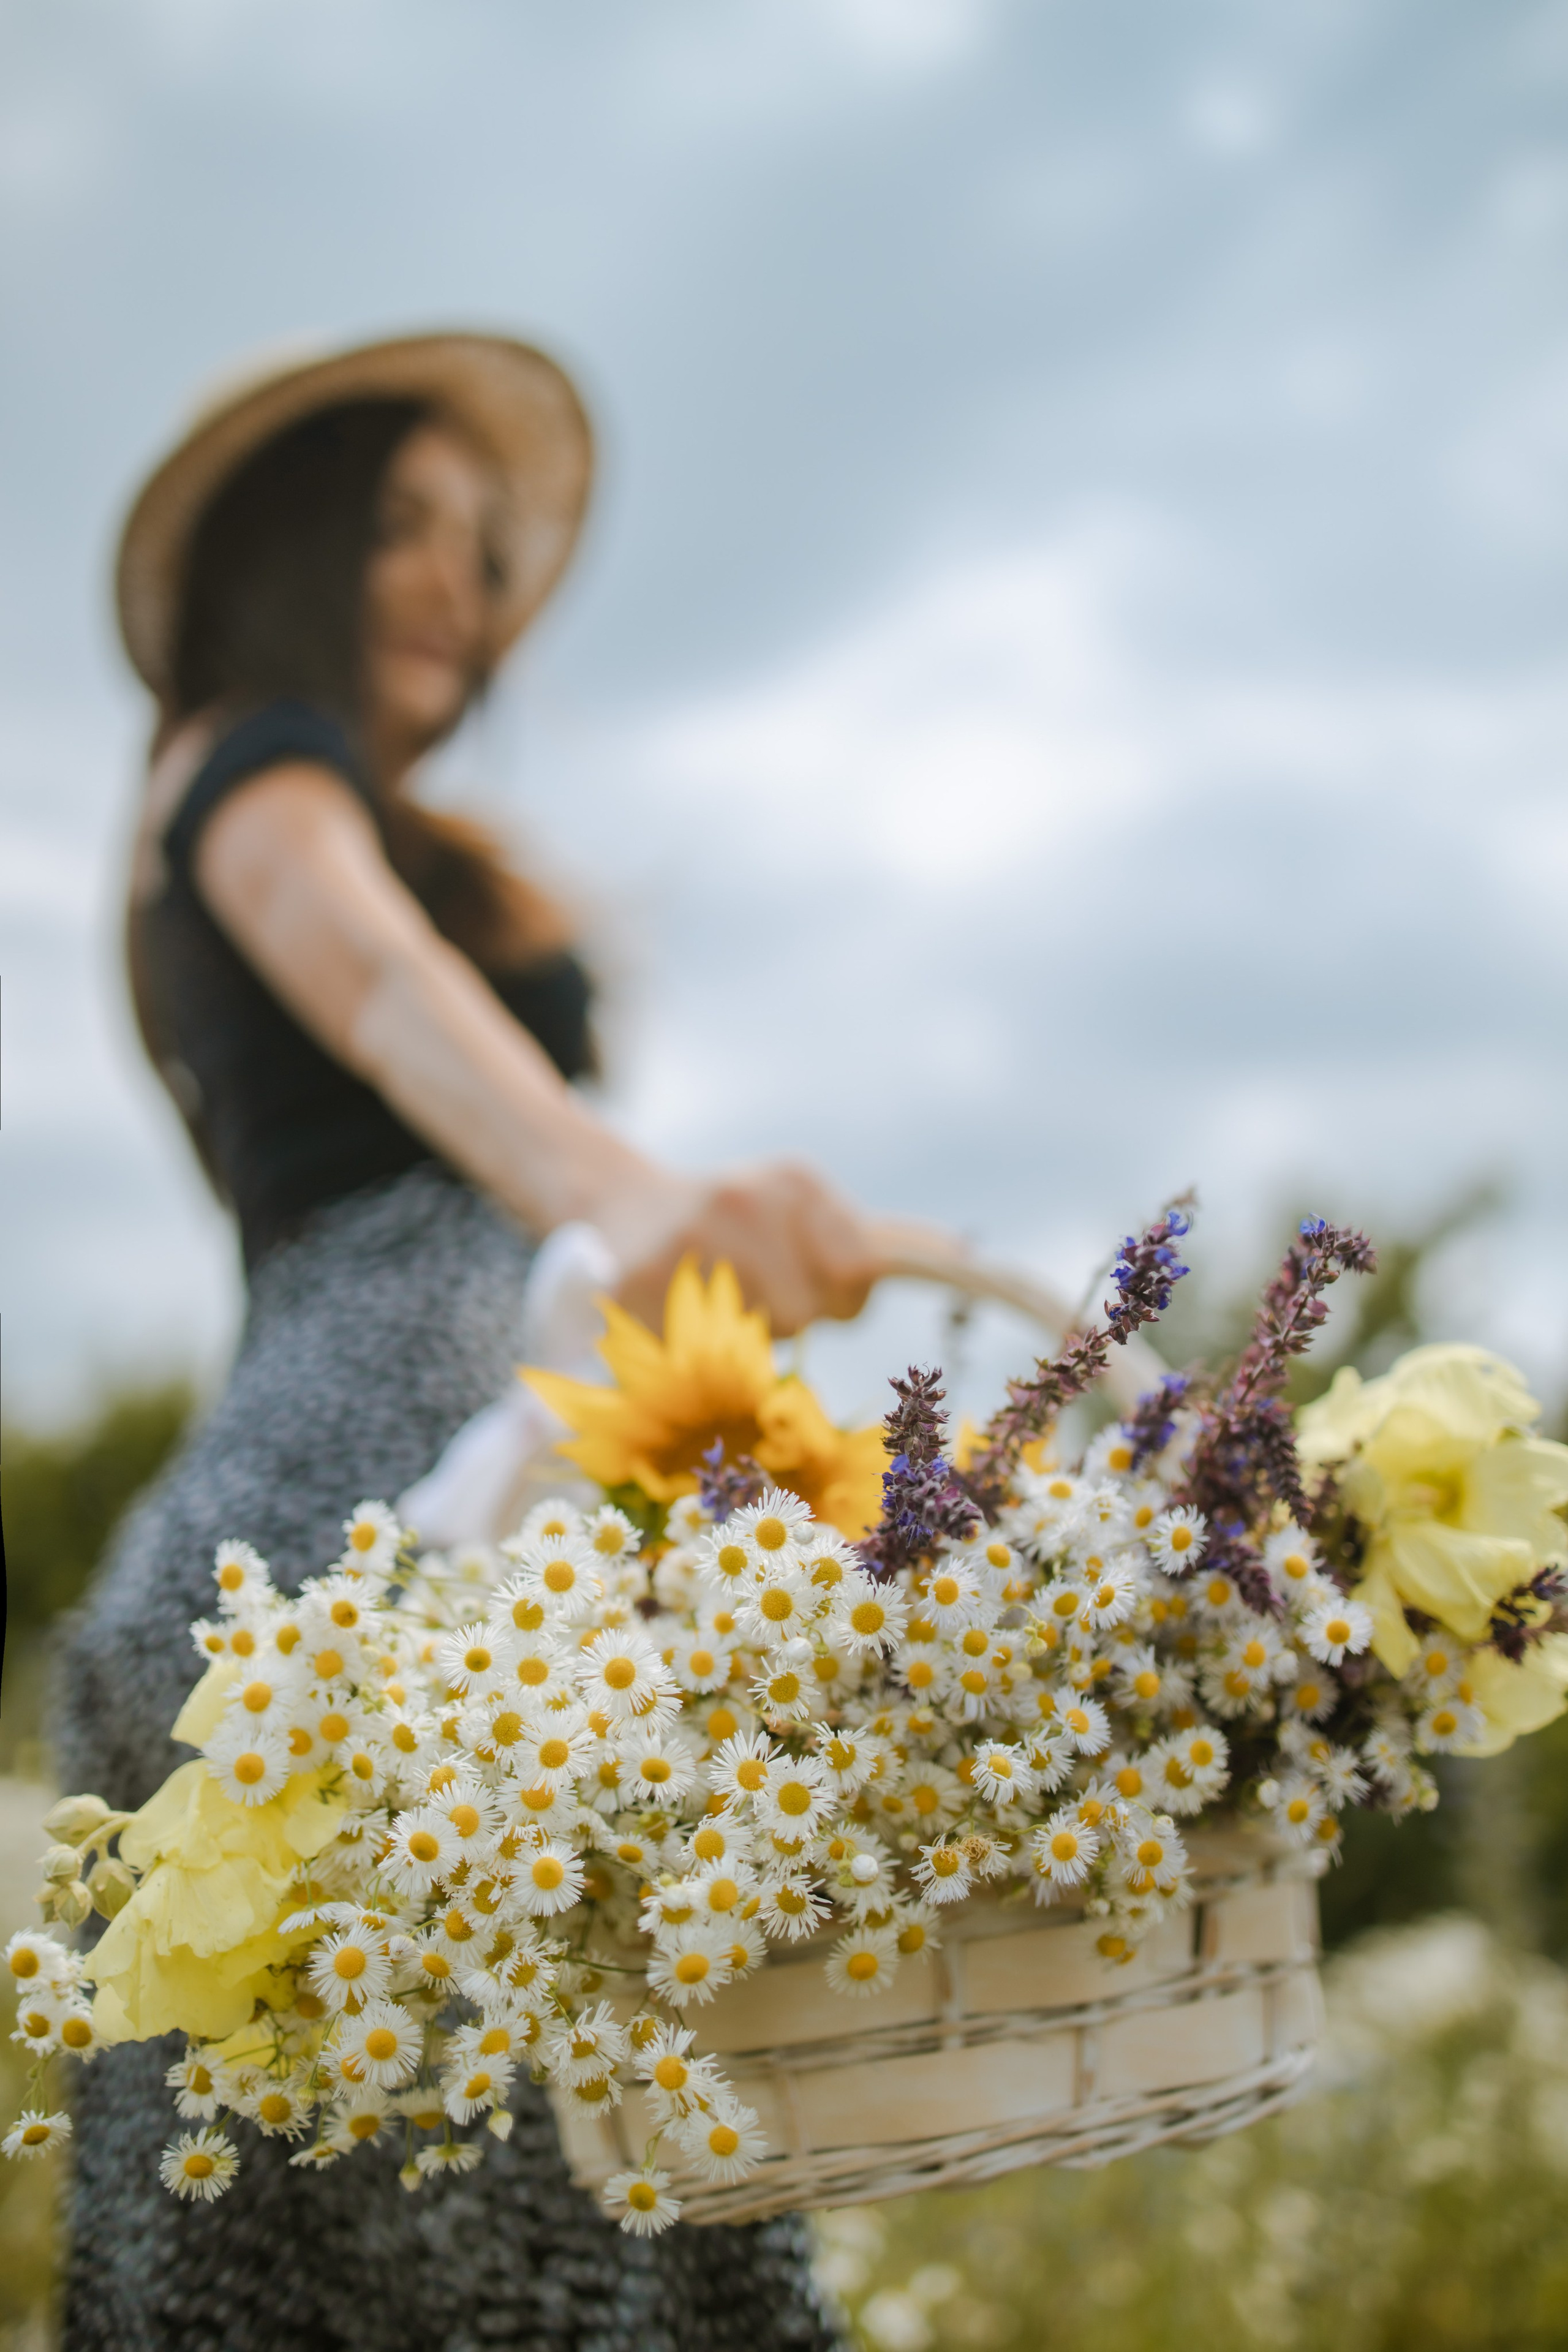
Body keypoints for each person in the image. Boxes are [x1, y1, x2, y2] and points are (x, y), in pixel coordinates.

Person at [56, 332, 933, 2352]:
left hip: (477, 1505)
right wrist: (622, 1184)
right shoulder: (246, 769)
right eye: (405, 527)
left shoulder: (433, 849)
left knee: (548, 2186)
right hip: (353, 1537)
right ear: (294, 552)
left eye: (483, 540)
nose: (464, 579)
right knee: (530, 2218)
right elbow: (372, 992)